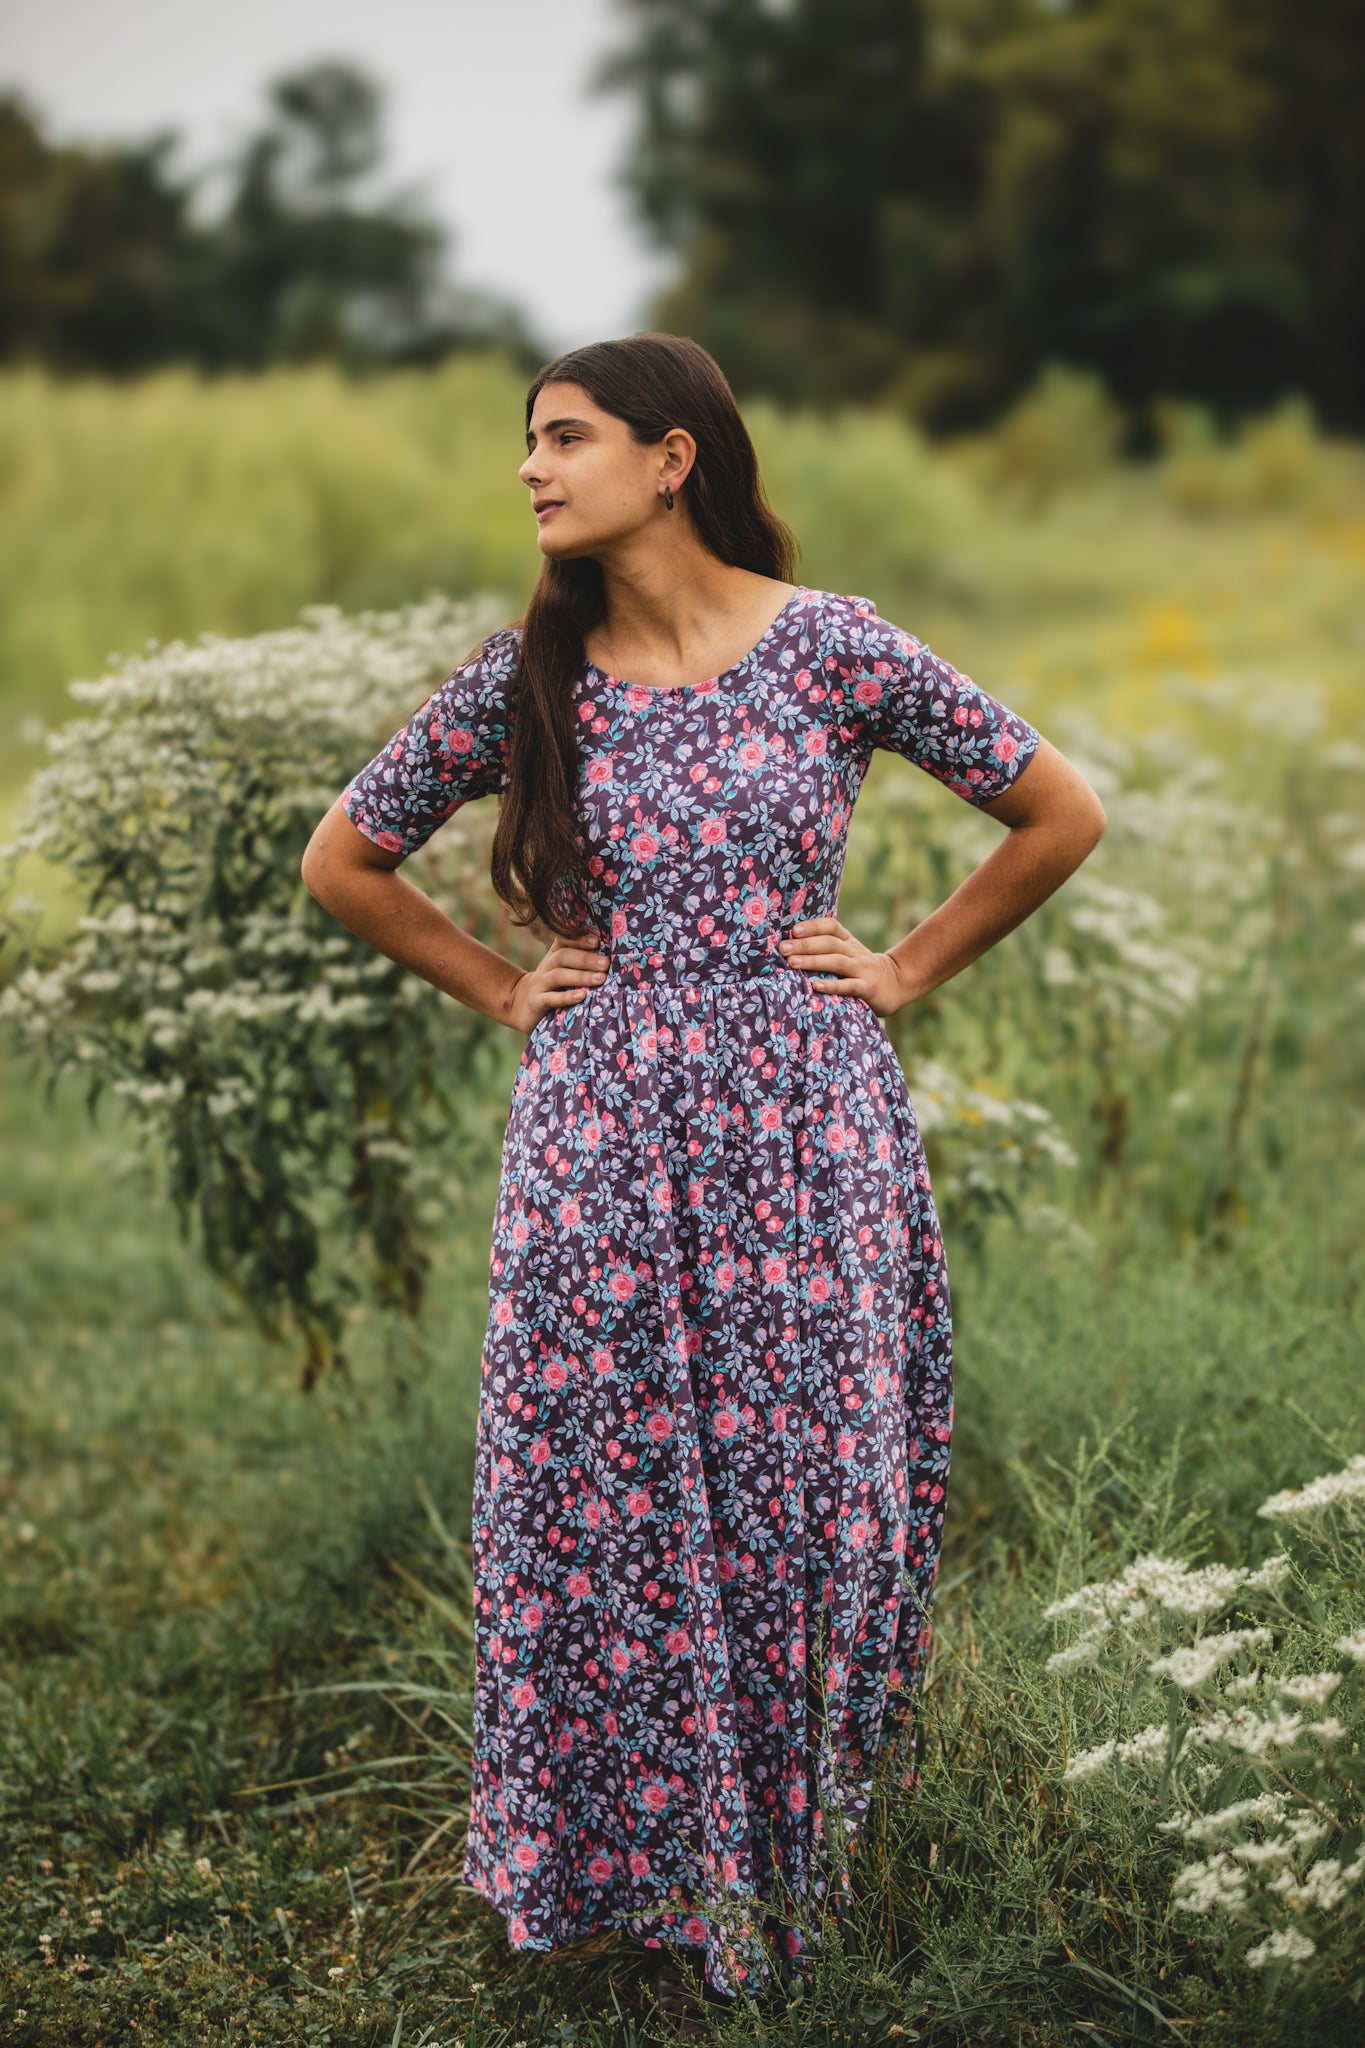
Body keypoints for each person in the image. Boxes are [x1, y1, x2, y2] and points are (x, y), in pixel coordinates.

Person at [301, 332, 1106, 2027]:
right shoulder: (528, 676)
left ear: (672, 459)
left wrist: (902, 965)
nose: (532, 469)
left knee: (804, 1487)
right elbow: (344, 859)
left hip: (805, 1136)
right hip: (597, 1144)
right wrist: (500, 988)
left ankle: (802, 1869)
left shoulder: (832, 647)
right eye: (528, 442)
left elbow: (1058, 812)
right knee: (601, 1496)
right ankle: (631, 1882)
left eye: (565, 437)